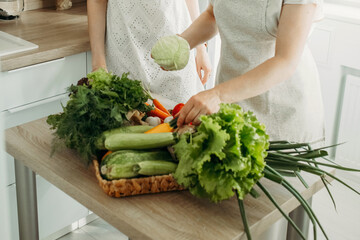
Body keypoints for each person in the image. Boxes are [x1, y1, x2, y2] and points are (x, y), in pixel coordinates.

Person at [173, 0, 325, 145]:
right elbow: (213, 15)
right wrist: (180, 44)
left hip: (281, 112)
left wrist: (217, 95)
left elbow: (285, 61)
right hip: (231, 104)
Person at [87, 0, 212, 104]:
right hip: (126, 55)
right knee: (130, 124)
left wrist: (200, 49)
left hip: (175, 46)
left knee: (181, 124)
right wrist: (98, 64)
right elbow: (97, 1)